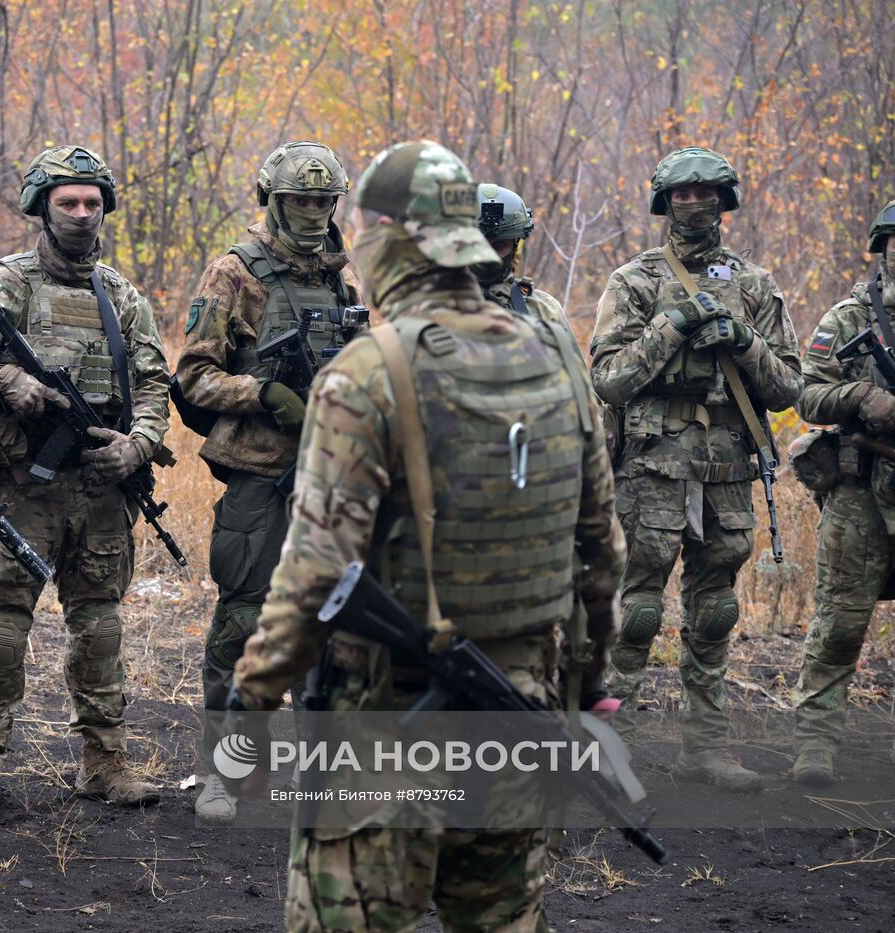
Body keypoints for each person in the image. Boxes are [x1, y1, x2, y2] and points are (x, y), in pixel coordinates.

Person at [232, 139, 624, 932]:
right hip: (519, 715)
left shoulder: (370, 372)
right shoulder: (554, 356)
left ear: (383, 241)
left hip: (385, 722)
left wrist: (251, 697)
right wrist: (585, 685)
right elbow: (602, 551)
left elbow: (314, 568)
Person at [0, 146, 171, 816]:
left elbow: (157, 383)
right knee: (1, 628)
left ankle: (104, 765)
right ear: (41, 208)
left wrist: (137, 447)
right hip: (20, 482)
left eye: (92, 202)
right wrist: (5, 380)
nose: (81, 214)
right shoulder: (2, 284)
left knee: (100, 628)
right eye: (67, 202)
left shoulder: (124, 298)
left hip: (100, 486)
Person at [589, 147, 801, 789]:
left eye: (707, 193)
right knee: (636, 615)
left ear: (724, 201)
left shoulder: (756, 285)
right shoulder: (635, 281)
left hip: (728, 473)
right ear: (664, 202)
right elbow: (609, 380)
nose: (695, 204)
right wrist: (672, 327)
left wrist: (744, 341)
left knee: (714, 614)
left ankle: (704, 750)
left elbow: (790, 387)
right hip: (651, 471)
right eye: (682, 194)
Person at [173, 141, 360, 823]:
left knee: (332, 627)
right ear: (273, 200)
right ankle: (227, 775)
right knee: (243, 627)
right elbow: (191, 375)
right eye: (301, 200)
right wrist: (265, 395)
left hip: (329, 481)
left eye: (324, 200)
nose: (314, 212)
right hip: (260, 480)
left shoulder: (342, 280)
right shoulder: (234, 272)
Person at [790, 199, 895, 786]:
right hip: (860, 494)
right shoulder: (851, 316)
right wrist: (861, 398)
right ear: (883, 248)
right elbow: (806, 393)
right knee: (839, 624)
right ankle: (815, 745)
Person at [472, 182, 568, 328]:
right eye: (480, 245)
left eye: (500, 246)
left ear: (515, 246)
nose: (490, 256)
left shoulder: (544, 310)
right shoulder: (429, 307)